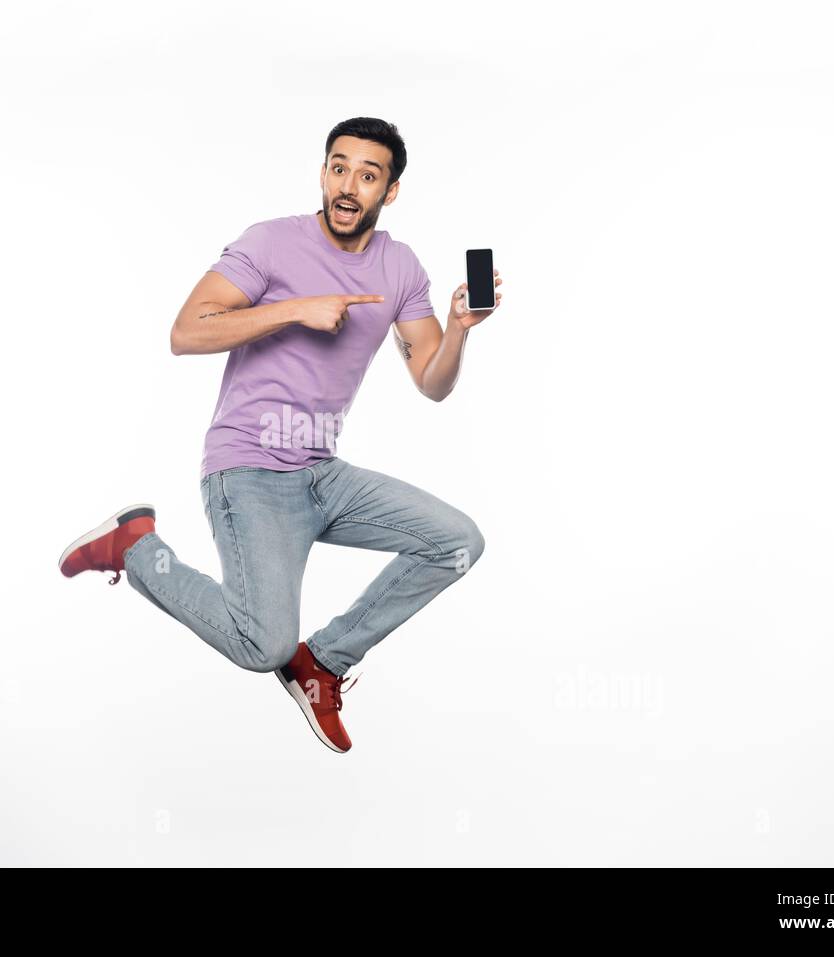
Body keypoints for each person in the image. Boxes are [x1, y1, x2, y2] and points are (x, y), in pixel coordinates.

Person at [59, 117, 503, 753]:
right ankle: (134, 547)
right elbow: (186, 332)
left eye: (368, 175)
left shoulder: (401, 268)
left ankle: (322, 662)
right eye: (338, 167)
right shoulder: (269, 244)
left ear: (390, 191)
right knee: (261, 644)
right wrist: (295, 308)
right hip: (249, 471)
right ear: (323, 172)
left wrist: (460, 328)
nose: (348, 186)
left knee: (457, 542)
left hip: (322, 472)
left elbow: (432, 383)